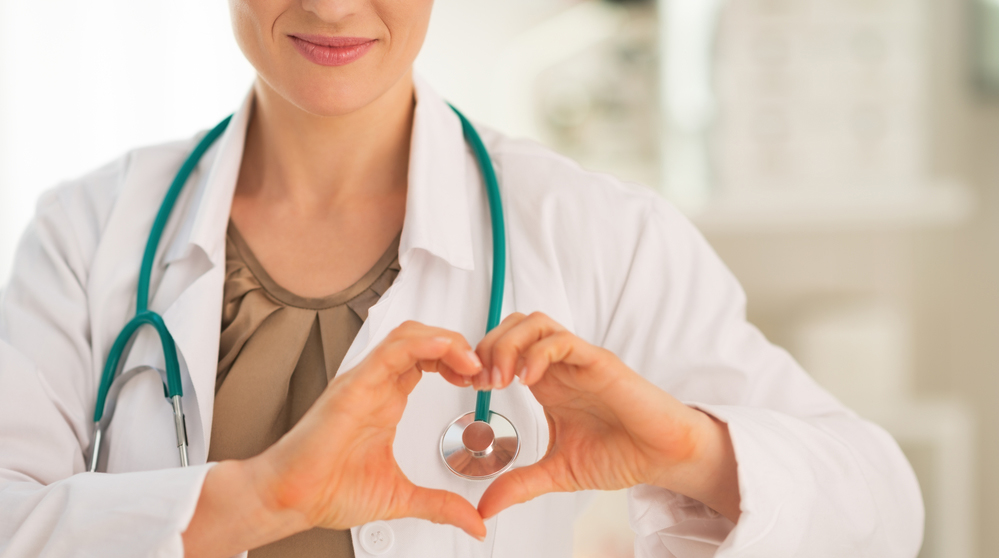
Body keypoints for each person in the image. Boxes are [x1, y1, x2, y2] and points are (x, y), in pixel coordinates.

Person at [0, 1, 923, 557]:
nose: (331, 5)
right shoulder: (89, 229)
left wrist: (686, 448)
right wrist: (265, 497)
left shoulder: (594, 229)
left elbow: (881, 512)